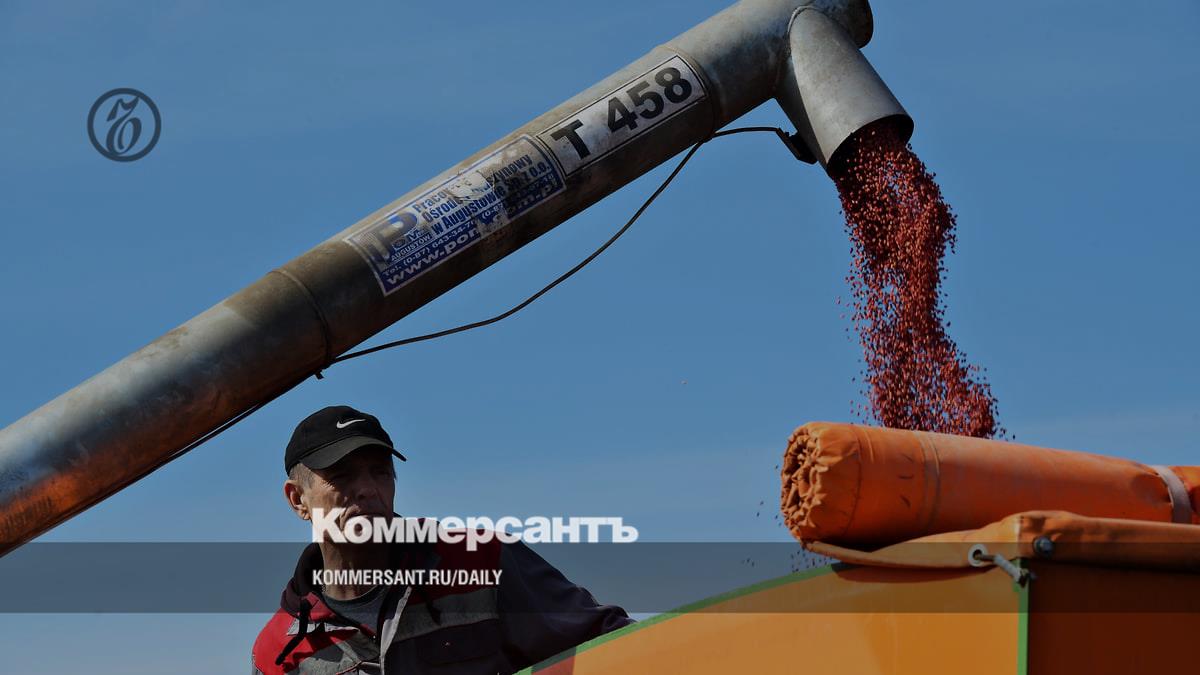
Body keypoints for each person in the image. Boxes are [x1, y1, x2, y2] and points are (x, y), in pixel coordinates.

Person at [251, 405, 633, 674]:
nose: (367, 489)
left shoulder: (483, 561)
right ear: (297, 499)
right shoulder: (277, 654)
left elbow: (616, 646)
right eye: (342, 476)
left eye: (380, 472)